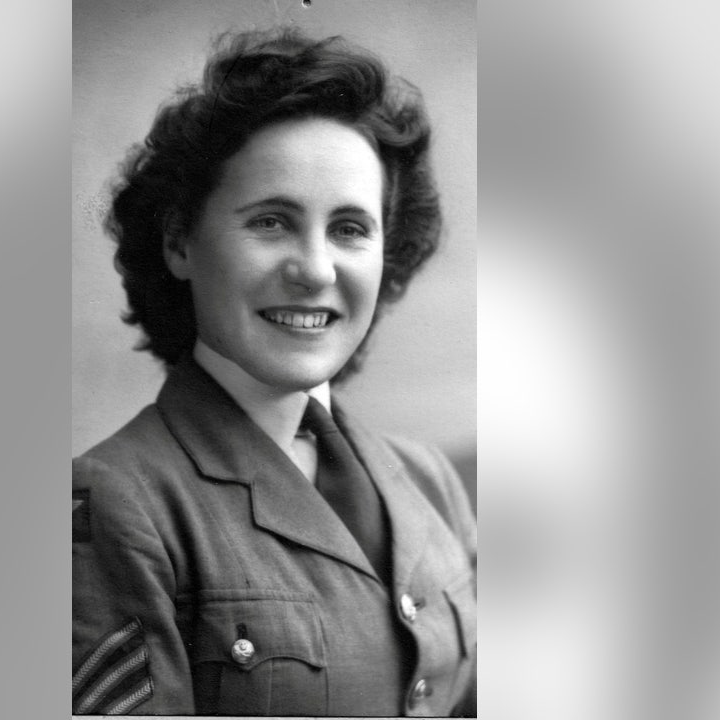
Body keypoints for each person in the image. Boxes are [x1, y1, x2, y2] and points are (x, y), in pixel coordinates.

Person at [72, 28, 476, 716]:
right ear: (179, 242)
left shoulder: (429, 481)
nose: (315, 270)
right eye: (270, 222)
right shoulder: (119, 504)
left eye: (350, 229)